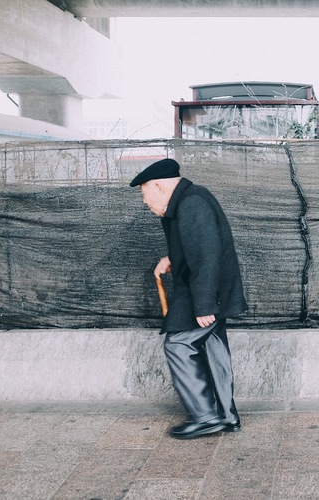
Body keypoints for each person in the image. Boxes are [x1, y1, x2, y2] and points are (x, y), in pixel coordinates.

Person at [130, 158, 248, 439]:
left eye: (145, 194)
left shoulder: (191, 204)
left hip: (206, 292)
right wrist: (173, 258)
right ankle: (227, 417)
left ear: (158, 186)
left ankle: (206, 417)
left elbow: (207, 256)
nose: (146, 202)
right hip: (213, 290)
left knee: (178, 344)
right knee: (213, 347)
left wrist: (205, 303)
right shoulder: (192, 198)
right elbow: (200, 243)